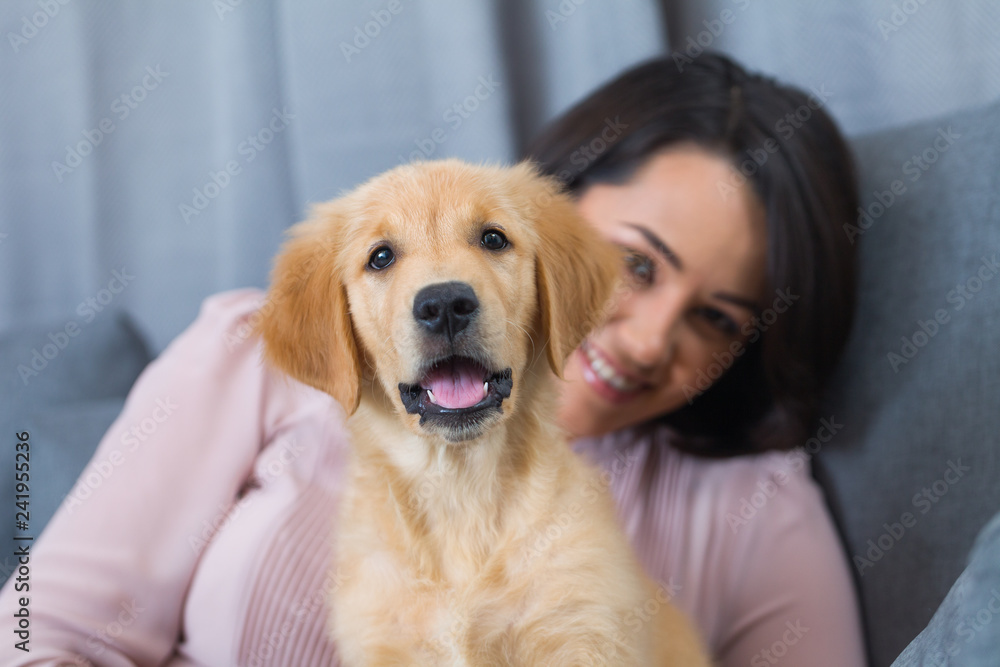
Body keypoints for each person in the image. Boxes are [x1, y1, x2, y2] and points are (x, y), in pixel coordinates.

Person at [0, 52, 865, 666]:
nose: (644, 338)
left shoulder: (756, 510)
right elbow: (41, 628)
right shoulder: (251, 354)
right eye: (634, 263)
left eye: (716, 317)